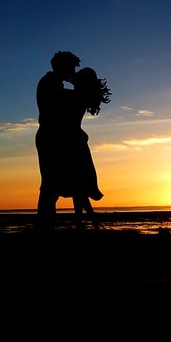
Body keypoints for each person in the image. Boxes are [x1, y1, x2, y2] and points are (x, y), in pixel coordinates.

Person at [35, 51, 81, 234]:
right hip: (50, 139)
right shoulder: (50, 84)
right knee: (49, 186)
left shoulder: (53, 83)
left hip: (52, 138)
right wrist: (80, 88)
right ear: (64, 67)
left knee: (51, 186)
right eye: (72, 68)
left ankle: (46, 227)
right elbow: (67, 102)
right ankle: (45, 228)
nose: (73, 72)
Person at [69, 66, 111, 229]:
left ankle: (86, 221)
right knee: (78, 186)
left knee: (77, 186)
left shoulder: (76, 96)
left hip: (73, 144)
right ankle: (88, 221)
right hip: (77, 143)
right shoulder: (81, 96)